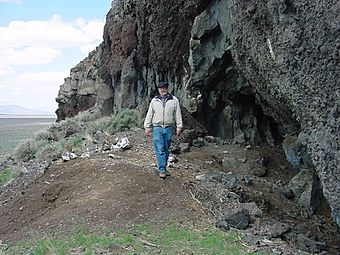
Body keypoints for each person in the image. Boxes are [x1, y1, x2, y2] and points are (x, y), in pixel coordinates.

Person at [144, 81, 183, 179]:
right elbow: (150, 114)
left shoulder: (174, 100)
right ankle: (161, 169)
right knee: (160, 149)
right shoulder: (154, 101)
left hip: (169, 127)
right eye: (161, 88)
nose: (163, 89)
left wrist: (179, 127)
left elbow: (178, 114)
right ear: (158, 89)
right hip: (157, 128)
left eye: (165, 87)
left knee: (166, 148)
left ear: (167, 88)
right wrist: (147, 127)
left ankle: (164, 168)